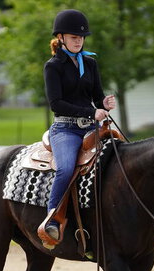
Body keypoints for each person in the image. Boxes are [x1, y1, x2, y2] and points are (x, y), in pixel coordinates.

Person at [41, 9, 116, 243]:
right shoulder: (52, 66)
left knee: (126, 157)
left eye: (81, 37)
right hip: (66, 129)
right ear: (61, 38)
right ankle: (51, 219)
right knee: (65, 167)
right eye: (74, 37)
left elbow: (97, 97)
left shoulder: (91, 64)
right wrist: (91, 111)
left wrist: (104, 104)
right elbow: (57, 104)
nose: (79, 41)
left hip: (91, 128)